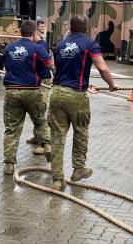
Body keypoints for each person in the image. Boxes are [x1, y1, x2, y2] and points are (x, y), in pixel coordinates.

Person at [49, 15, 117, 191]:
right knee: (80, 132)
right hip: (76, 96)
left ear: (70, 27)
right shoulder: (90, 44)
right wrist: (111, 84)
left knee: (57, 136)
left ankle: (57, 179)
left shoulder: (59, 45)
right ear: (86, 28)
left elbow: (56, 69)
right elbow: (102, 67)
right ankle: (78, 169)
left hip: (56, 93)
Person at [2, 20, 55, 175]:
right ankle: (48, 146)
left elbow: (6, 64)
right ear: (34, 33)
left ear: (20, 31)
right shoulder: (37, 48)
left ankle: (9, 164)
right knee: (40, 121)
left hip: (11, 91)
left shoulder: (9, 48)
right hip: (32, 91)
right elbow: (51, 66)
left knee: (12, 129)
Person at [26, 19, 51, 149]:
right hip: (36, 80)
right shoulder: (32, 45)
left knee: (41, 110)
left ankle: (44, 143)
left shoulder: (41, 44)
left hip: (43, 80)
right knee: (36, 110)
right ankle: (37, 136)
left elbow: (46, 63)